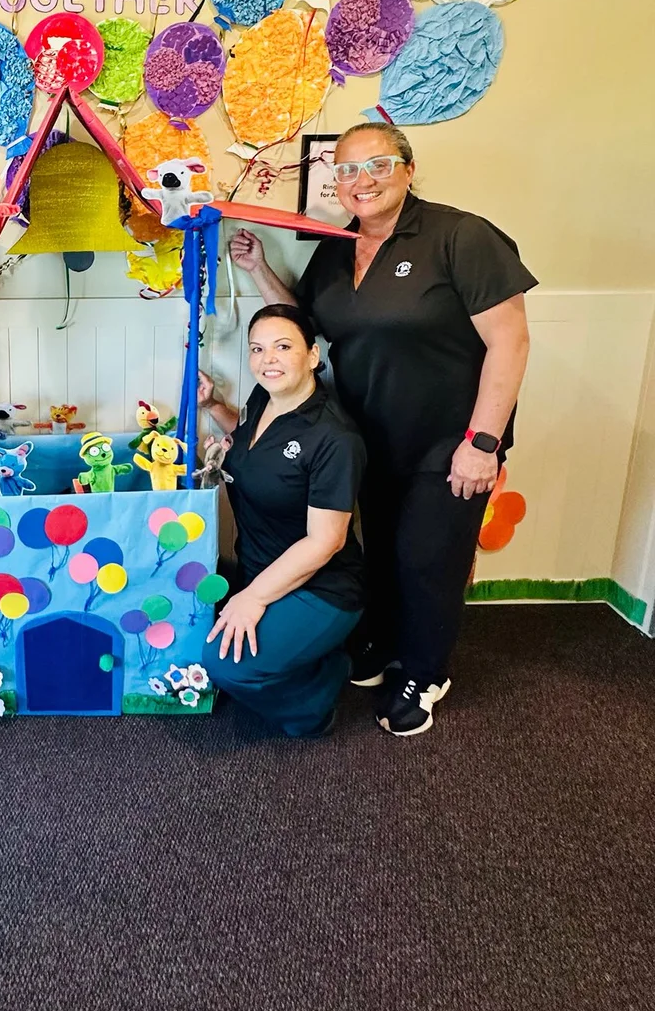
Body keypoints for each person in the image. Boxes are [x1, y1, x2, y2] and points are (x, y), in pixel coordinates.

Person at [228, 122, 535, 736]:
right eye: (346, 169)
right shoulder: (337, 248)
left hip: (447, 441)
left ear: (408, 170)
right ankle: (389, 643)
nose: (361, 180)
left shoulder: (460, 236)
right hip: (368, 439)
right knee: (385, 552)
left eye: (378, 165)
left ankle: (424, 673)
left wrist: (482, 443)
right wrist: (260, 269)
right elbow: (306, 323)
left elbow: (511, 341)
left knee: (429, 561)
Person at [197, 306, 365, 738]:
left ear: (312, 355)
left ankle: (315, 705)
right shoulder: (263, 398)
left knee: (223, 665)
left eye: (283, 347)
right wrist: (212, 405)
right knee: (187, 622)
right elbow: (254, 443)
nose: (267, 359)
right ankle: (314, 656)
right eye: (257, 349)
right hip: (258, 566)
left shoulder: (334, 438)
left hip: (320, 586)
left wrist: (253, 598)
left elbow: (326, 542)